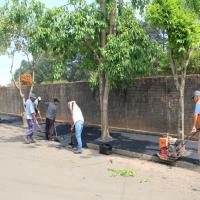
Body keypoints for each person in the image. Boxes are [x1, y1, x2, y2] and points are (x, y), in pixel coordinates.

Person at [191, 90, 200, 164]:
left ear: (197, 97)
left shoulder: (198, 103)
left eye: (194, 97)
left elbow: (196, 116)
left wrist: (194, 126)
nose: (193, 99)